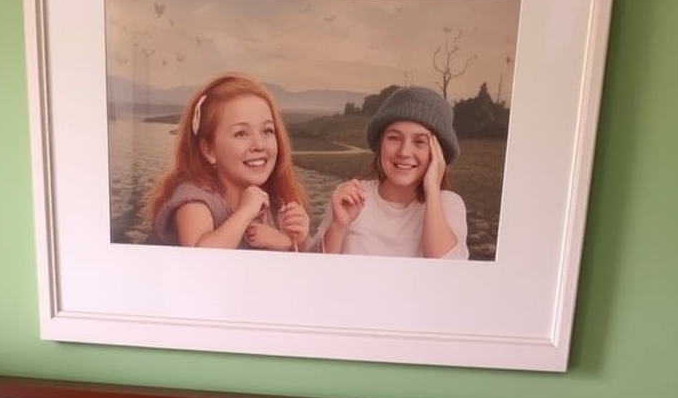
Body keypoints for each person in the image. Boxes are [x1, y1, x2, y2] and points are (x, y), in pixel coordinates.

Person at [147, 73, 310, 251]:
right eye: (241, 133)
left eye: (267, 131)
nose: (259, 145)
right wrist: (245, 212)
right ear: (209, 150)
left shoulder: (279, 202)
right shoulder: (194, 200)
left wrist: (294, 240)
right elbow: (200, 259)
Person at [316, 85, 469, 259]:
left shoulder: (449, 205)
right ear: (380, 144)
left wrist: (433, 189)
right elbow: (314, 273)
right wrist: (338, 225)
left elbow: (447, 272)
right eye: (394, 138)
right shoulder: (351, 198)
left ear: (438, 153)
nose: (404, 152)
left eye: (420, 142)